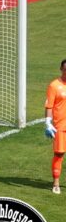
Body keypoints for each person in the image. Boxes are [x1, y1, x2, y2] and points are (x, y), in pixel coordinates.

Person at [46, 58, 65, 195]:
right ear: (61, 69)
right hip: (60, 126)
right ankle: (56, 183)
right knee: (59, 154)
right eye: (65, 69)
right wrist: (48, 122)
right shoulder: (54, 85)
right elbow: (49, 106)